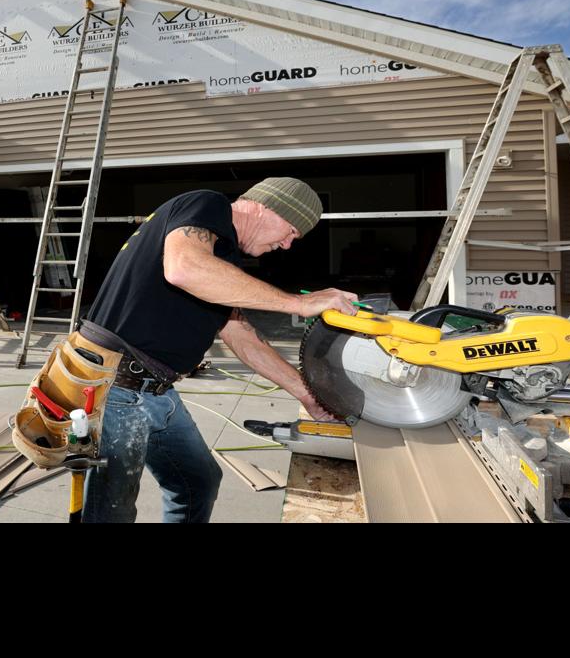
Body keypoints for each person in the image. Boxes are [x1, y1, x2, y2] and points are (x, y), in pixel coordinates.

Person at [75, 177, 358, 523]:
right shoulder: (206, 205)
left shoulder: (222, 259)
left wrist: (308, 394)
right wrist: (298, 304)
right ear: (265, 206)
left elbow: (242, 336)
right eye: (291, 231)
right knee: (111, 510)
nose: (286, 245)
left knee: (198, 482)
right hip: (117, 386)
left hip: (157, 388)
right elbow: (183, 268)